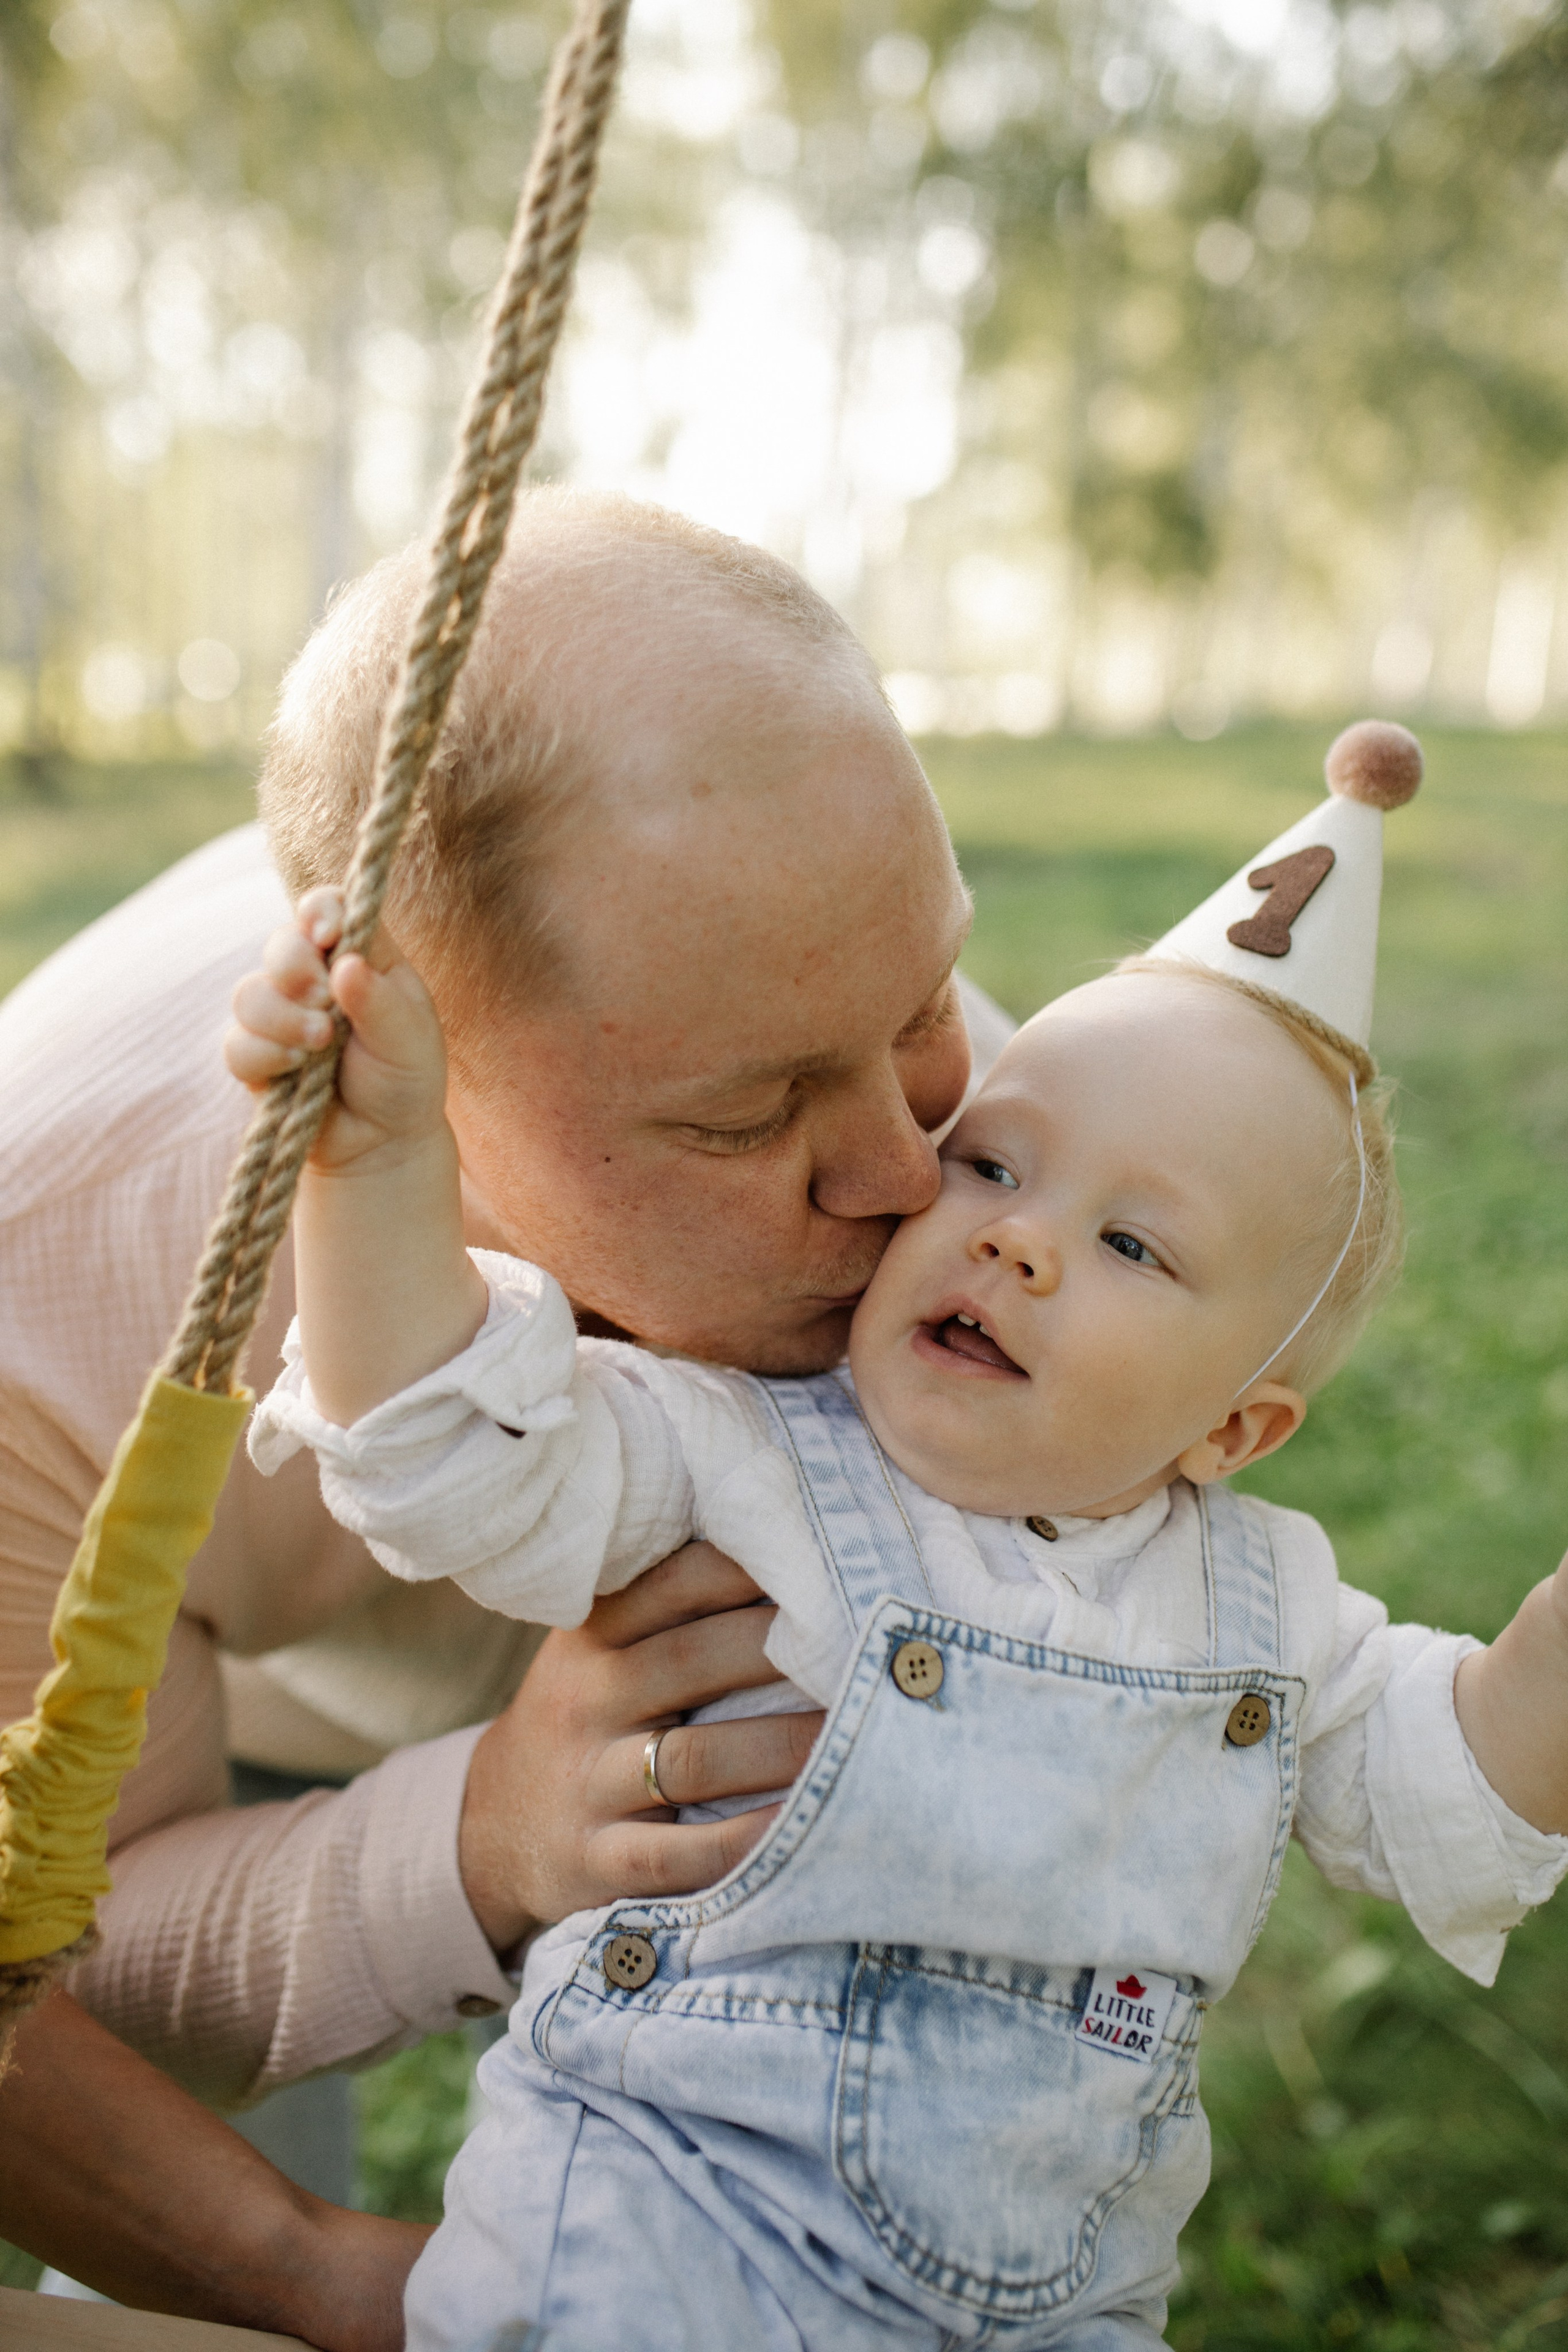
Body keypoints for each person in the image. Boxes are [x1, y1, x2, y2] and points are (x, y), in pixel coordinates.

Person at [233, 733, 1568, 2350]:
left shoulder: (1269, 1612)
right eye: (993, 1164)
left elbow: (1457, 1786)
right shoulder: (739, 1448)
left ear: (1233, 1431)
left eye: (1131, 1242)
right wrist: (373, 1170)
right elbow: (448, 1458)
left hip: (1053, 2299)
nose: (1018, 1238)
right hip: (662, 2233)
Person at [0, 491, 1009, 2300]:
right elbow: (55, 1959)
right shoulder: (44, 1314)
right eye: (745, 1117)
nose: (906, 1173)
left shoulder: (839, 1014)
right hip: (242, 1669)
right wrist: (482, 1837)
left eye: (925, 998)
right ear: (408, 1071)